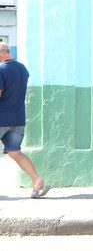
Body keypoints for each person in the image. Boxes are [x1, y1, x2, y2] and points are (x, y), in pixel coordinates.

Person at [0, 43, 50, 198]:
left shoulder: (1, 70)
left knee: (15, 152)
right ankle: (37, 180)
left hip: (2, 119)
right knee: (15, 152)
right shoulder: (23, 69)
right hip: (18, 119)